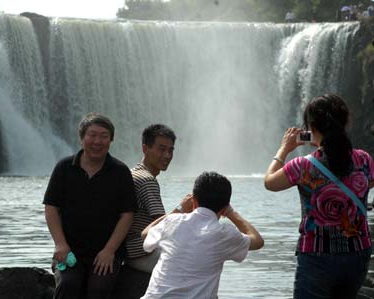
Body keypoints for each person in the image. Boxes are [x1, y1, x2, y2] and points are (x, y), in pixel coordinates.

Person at [264, 94, 374, 299]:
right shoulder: (364, 159)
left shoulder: (303, 165)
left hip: (316, 256)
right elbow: (368, 181)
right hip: (358, 254)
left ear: (311, 126)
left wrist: (284, 148)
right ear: (345, 122)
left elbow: (269, 182)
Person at [43, 113, 137, 299]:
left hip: (106, 252)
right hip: (70, 251)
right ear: (82, 138)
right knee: (68, 285)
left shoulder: (120, 172)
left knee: (99, 289)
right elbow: (51, 208)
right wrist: (60, 244)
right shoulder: (64, 168)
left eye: (103, 136)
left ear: (111, 140)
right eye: (92, 135)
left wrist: (109, 251)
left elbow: (127, 215)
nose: (97, 141)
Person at [140, 171, 264, 299]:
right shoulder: (223, 233)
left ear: (194, 202)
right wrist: (231, 213)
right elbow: (258, 241)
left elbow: (145, 233)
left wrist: (180, 208)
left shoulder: (173, 221)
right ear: (223, 208)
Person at [113, 124, 192, 299]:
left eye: (171, 150)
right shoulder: (147, 180)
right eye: (161, 149)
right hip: (139, 251)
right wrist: (182, 208)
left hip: (128, 249)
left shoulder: (133, 172)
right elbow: (164, 225)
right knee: (191, 268)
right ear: (145, 148)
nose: (167, 156)